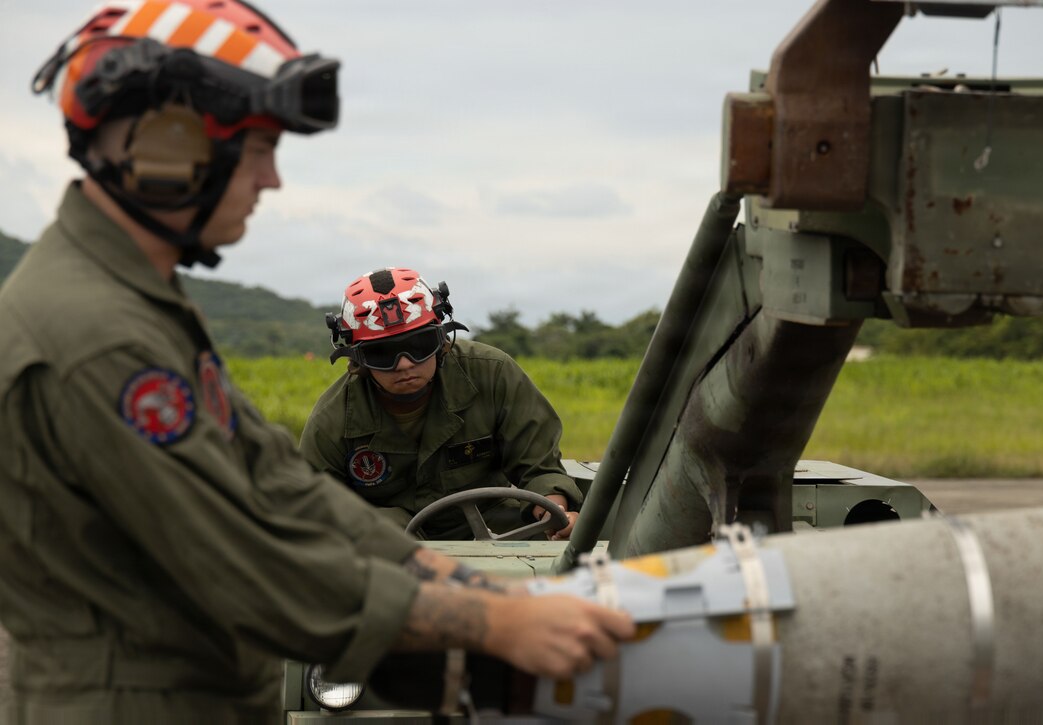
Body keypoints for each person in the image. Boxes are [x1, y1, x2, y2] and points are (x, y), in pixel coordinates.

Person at [0, 2, 632, 723]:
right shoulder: (98, 337)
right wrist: (498, 627)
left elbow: (281, 489)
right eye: (257, 148)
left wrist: (454, 581)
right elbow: (246, 562)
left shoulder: (139, 303)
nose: (272, 180)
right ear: (167, 150)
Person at [300, 268, 582, 541]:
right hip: (390, 543)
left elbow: (540, 468)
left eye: (420, 344)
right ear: (357, 360)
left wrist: (553, 514)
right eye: (382, 353)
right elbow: (314, 511)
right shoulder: (333, 421)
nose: (405, 364)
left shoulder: (493, 375)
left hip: (491, 525)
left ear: (442, 339)